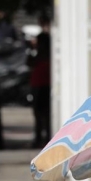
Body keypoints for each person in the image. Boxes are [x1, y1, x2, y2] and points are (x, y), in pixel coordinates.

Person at [29, 15, 51, 147]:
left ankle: (42, 137)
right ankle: (41, 137)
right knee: (41, 112)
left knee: (41, 112)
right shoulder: (40, 57)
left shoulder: (42, 57)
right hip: (40, 82)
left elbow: (30, 62)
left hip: (41, 83)